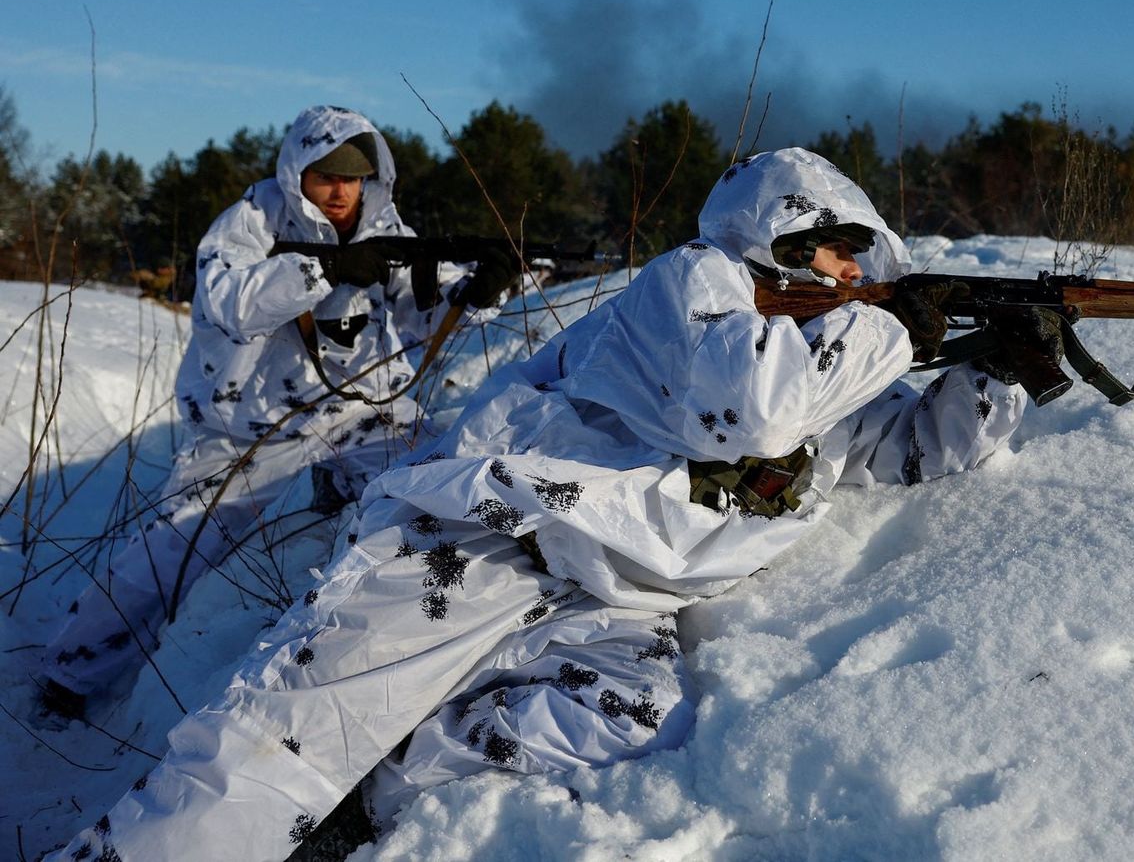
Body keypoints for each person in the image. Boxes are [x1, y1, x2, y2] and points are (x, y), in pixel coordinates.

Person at [49, 147, 1059, 862]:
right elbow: (746, 408)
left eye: (863, 268)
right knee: (268, 748)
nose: (853, 278)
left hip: (612, 597)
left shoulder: (827, 354)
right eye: (841, 257)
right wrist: (893, 334)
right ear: (789, 239)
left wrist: (1002, 374)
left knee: (629, 717)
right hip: (484, 533)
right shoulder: (692, 284)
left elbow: (908, 448)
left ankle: (378, 790)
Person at [39, 105, 518, 721]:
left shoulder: (383, 224)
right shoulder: (251, 222)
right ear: (298, 174)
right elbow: (228, 302)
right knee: (173, 547)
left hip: (363, 419)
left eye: (355, 177)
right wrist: (323, 268)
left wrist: (475, 293)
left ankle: (437, 646)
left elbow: (420, 313)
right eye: (327, 176)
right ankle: (71, 672)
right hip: (251, 432)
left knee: (450, 485)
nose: (342, 191)